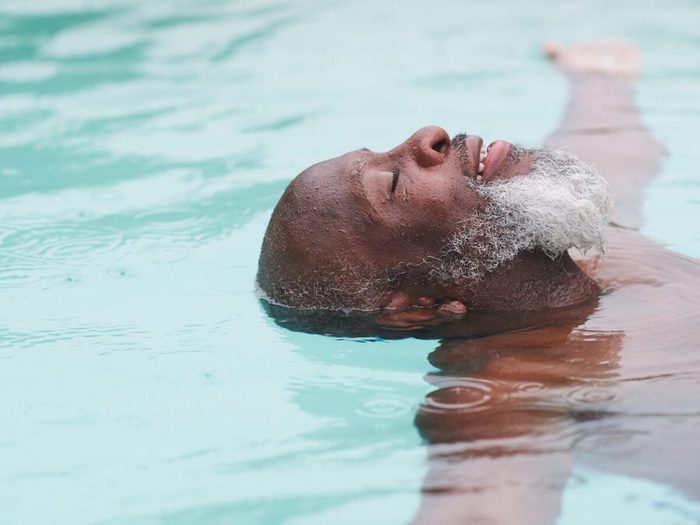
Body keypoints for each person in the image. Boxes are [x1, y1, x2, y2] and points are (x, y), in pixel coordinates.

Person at [258, 41, 700, 524]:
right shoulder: (501, 390)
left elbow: (609, 151)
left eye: (383, 151)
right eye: (391, 185)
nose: (428, 135)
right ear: (417, 307)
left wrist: (598, 82)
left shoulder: (595, 253)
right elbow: (480, 506)